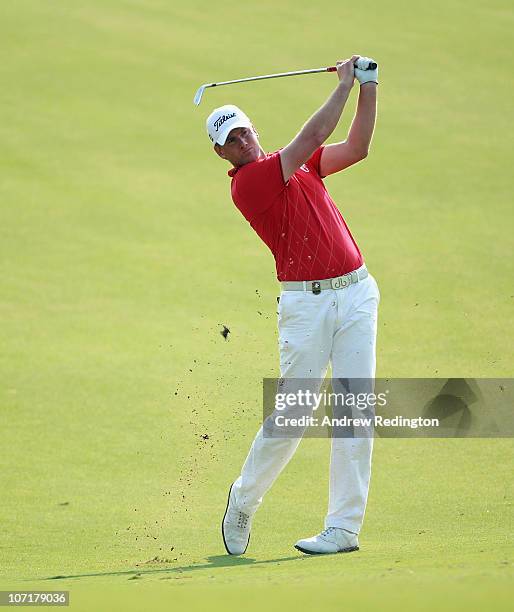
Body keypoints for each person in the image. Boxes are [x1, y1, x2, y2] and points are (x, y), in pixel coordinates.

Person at [205, 55, 380, 555]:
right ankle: (243, 499)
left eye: (243, 131)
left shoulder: (297, 165)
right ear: (222, 154)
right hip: (307, 308)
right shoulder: (249, 184)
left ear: (252, 129)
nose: (241, 141)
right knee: (294, 414)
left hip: (357, 293)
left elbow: (358, 147)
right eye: (230, 140)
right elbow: (311, 135)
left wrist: (369, 85)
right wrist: (345, 86)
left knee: (354, 410)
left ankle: (343, 529)